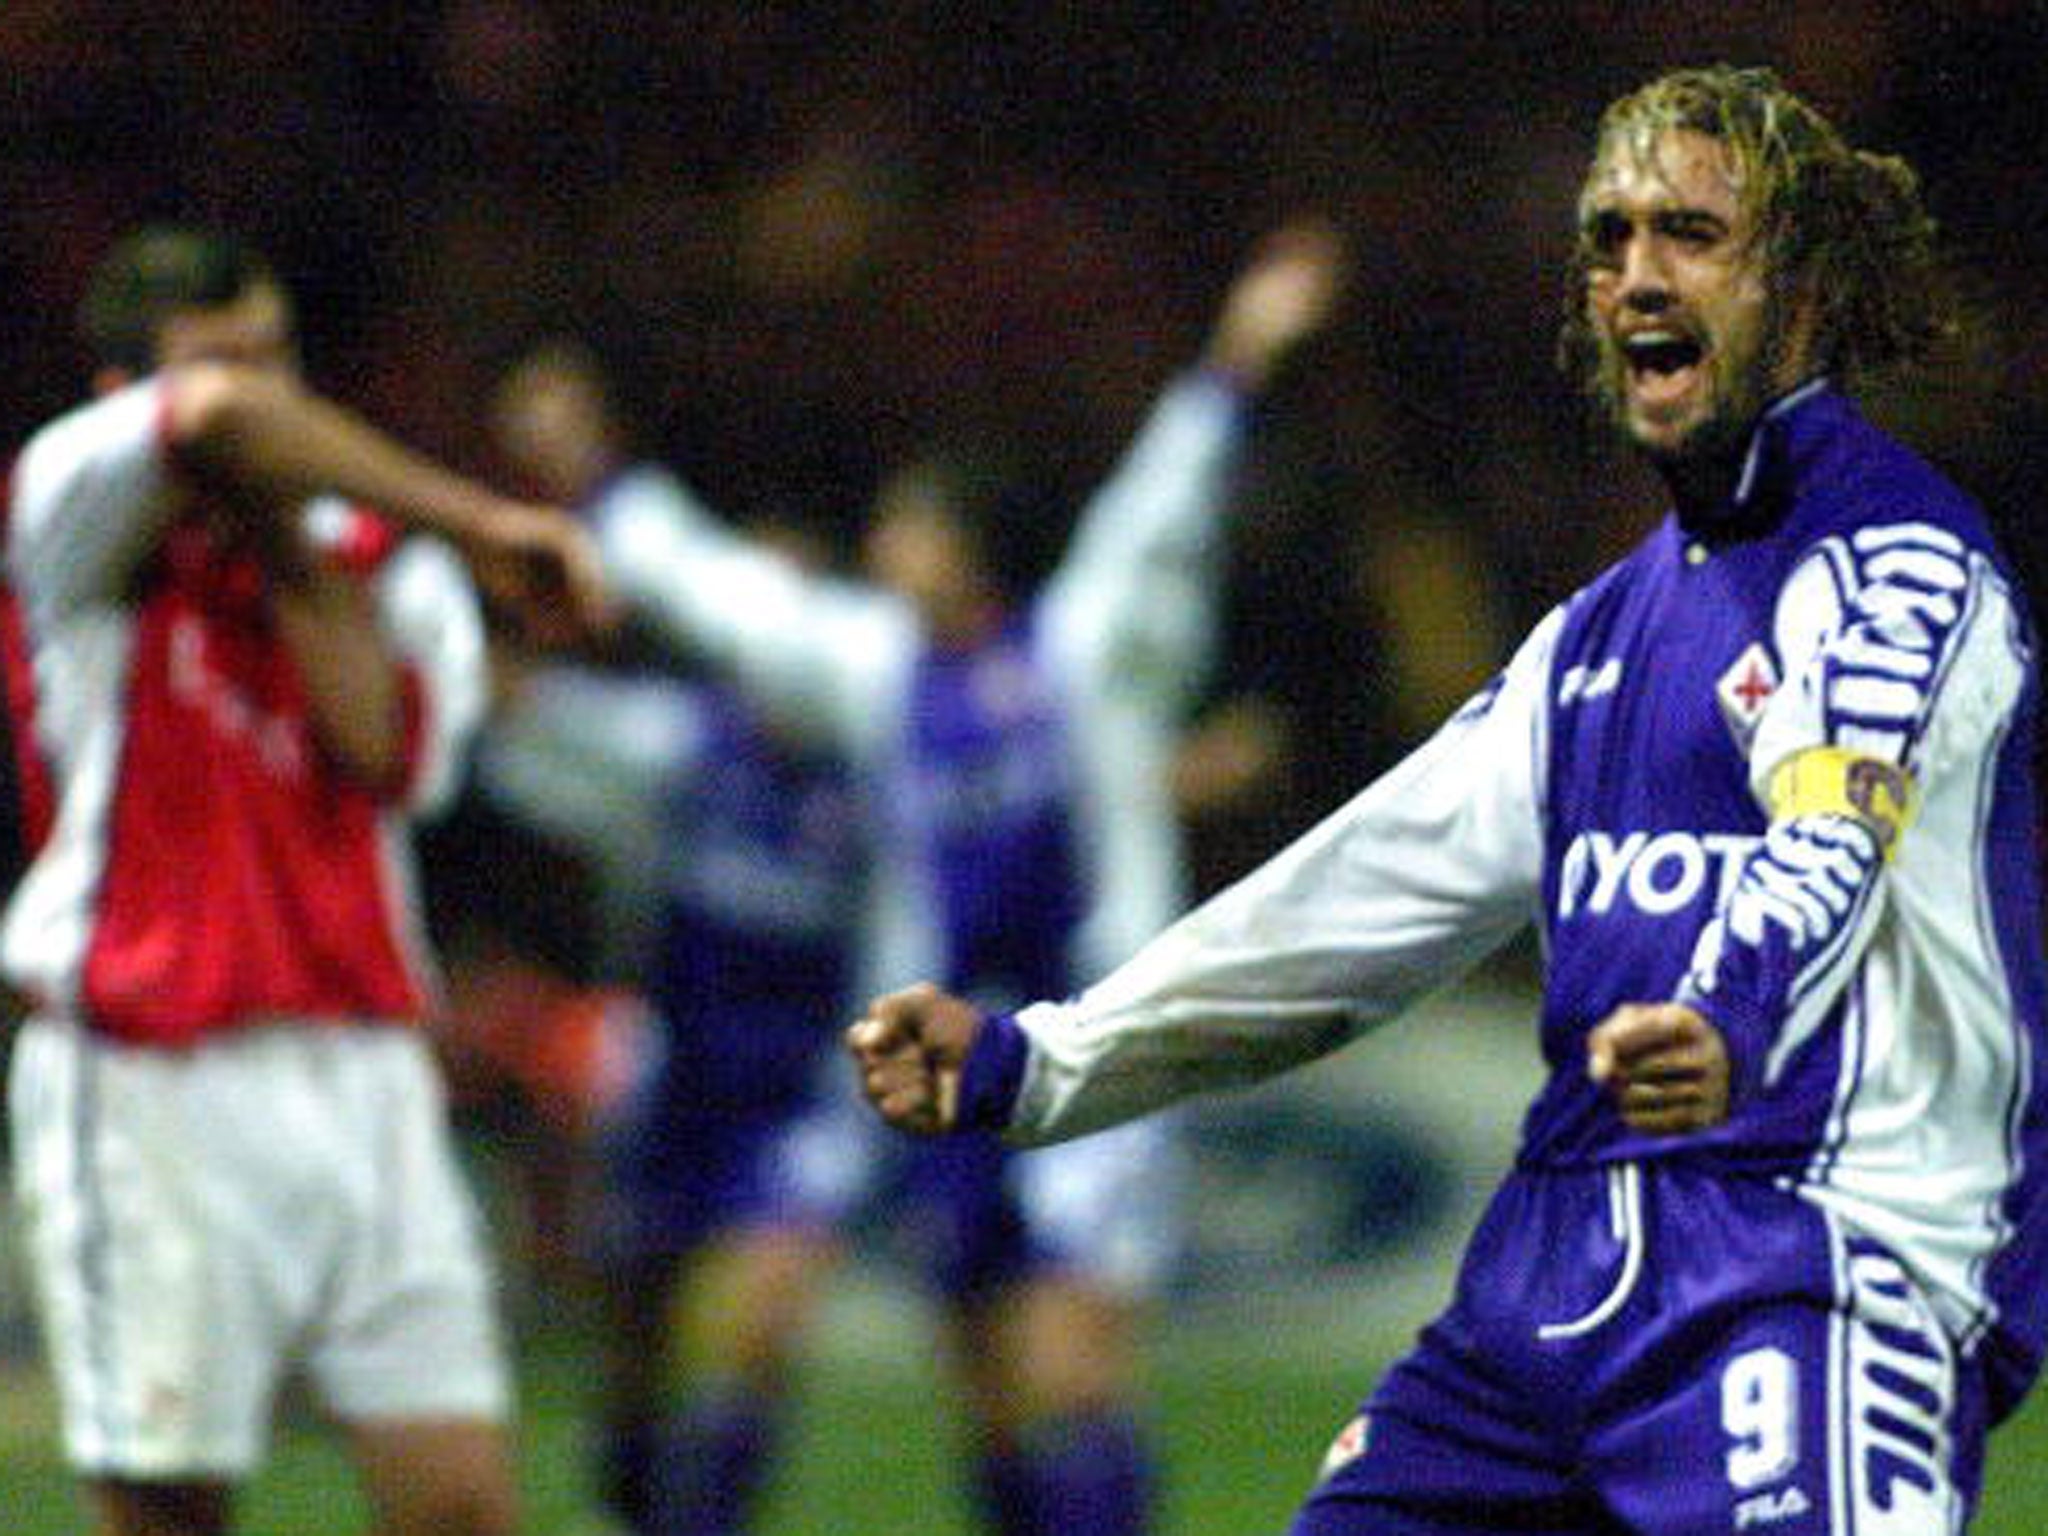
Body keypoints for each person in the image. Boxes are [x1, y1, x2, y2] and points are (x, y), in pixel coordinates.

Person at [851, 65, 2048, 1535]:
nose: (1633, 276)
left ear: (1798, 284)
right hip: (1553, 1288)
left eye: (1688, 233)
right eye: (1609, 239)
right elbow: (1358, 902)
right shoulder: (1595, 643)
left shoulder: (1899, 567)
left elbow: (1830, 829)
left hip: (1812, 1271)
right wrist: (1045, 1062)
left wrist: (1726, 1012)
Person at [494, 224, 1343, 1536]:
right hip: (955, 1066)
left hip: (1101, 1047)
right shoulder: (884, 674)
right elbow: (728, 600)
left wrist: (1237, 360)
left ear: (965, 549)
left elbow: (1158, 508)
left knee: (1072, 1371)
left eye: (908, 522)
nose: (885, 539)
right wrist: (594, 480)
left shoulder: (1082, 651)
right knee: (1000, 1399)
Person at [1, 225, 606, 1536]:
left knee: (461, 1506)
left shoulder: (389, 566)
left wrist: (299, 545)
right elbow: (214, 426)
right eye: (231, 363)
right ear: (126, 394)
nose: (271, 393)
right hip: (156, 1071)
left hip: (366, 1070)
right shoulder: (71, 503)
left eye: (285, 361)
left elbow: (376, 752)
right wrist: (490, 513)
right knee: (169, 1513)